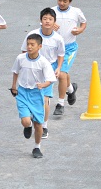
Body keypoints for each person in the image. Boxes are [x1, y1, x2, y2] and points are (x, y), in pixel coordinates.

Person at [11, 33, 57, 158]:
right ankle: (27, 126)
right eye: (28, 44)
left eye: (32, 45)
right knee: (25, 121)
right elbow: (15, 72)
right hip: (22, 93)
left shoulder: (43, 62)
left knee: (38, 124)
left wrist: (43, 85)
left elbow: (51, 79)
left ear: (39, 46)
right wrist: (14, 86)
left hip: (36, 94)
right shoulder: (20, 58)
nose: (29, 47)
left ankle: (37, 147)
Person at [21, 8, 64, 139]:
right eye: (45, 19)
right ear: (41, 20)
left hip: (48, 70)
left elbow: (61, 54)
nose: (47, 21)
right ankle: (28, 123)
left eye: (50, 19)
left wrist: (58, 68)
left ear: (54, 22)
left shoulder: (58, 38)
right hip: (33, 68)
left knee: (45, 100)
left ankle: (44, 125)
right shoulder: (32, 34)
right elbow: (24, 51)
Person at [51, 0, 87, 115]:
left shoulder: (76, 12)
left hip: (69, 48)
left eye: (64, 1)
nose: (61, 3)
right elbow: (43, 24)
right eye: (59, 0)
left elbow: (84, 22)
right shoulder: (52, 11)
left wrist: (80, 30)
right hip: (54, 48)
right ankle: (71, 89)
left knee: (61, 74)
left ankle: (60, 103)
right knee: (63, 74)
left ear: (70, 1)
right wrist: (50, 25)